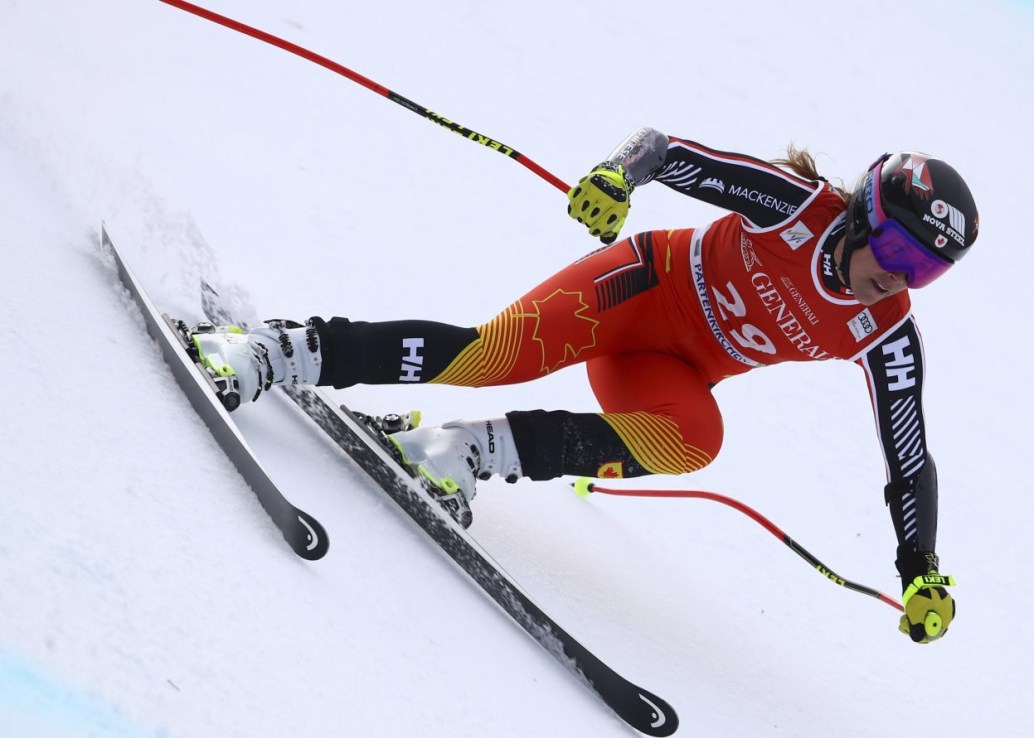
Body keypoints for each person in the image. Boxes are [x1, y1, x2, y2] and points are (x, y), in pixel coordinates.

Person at [192, 127, 979, 644]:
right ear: (861, 216)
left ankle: (453, 450)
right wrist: (617, 176)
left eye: (927, 272)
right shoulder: (795, 208)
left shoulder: (884, 330)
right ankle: (275, 349)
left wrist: (920, 566)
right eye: (901, 254)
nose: (900, 281)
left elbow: (906, 455)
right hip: (628, 294)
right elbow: (669, 152)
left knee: (695, 440)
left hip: (665, 370)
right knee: (486, 356)